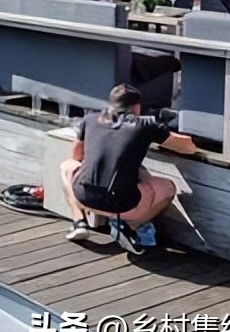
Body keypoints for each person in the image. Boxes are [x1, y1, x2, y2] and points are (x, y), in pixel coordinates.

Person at [60, 84, 197, 254]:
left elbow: (76, 156)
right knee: (168, 187)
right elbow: (187, 147)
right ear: (136, 107)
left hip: (85, 199)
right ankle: (132, 225)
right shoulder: (146, 124)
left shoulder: (89, 120)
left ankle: (79, 221)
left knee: (67, 166)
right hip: (124, 206)